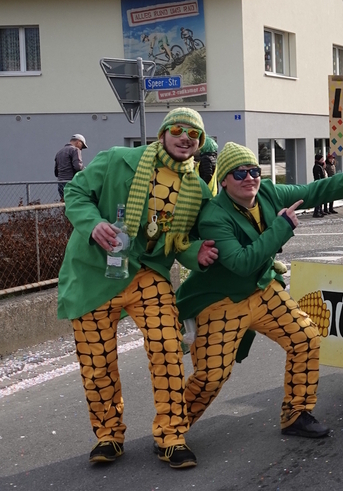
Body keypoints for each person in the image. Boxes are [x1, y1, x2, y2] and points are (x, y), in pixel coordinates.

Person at [57, 108, 219, 468]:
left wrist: (199, 252)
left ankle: (172, 436)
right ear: (162, 133)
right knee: (96, 364)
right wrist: (93, 223)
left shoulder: (196, 189)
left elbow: (184, 244)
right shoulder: (117, 159)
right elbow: (76, 193)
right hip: (93, 273)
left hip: (145, 272)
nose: (186, 138)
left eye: (194, 135)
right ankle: (108, 436)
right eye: (178, 129)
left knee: (166, 345)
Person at [176, 142, 343, 440]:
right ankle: (173, 427)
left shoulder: (269, 193)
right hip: (223, 300)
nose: (249, 178)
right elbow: (241, 263)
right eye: (238, 173)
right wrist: (282, 226)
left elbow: (312, 193)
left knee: (306, 337)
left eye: (254, 171)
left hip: (262, 290)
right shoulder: (213, 216)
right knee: (211, 377)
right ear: (223, 180)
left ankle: (297, 413)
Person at [54, 134, 87, 200]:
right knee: (75, 204)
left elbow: (56, 172)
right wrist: (86, 171)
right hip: (71, 183)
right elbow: (78, 167)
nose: (81, 149)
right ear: (78, 142)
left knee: (65, 204)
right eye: (82, 146)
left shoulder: (59, 152)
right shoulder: (75, 150)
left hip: (60, 183)